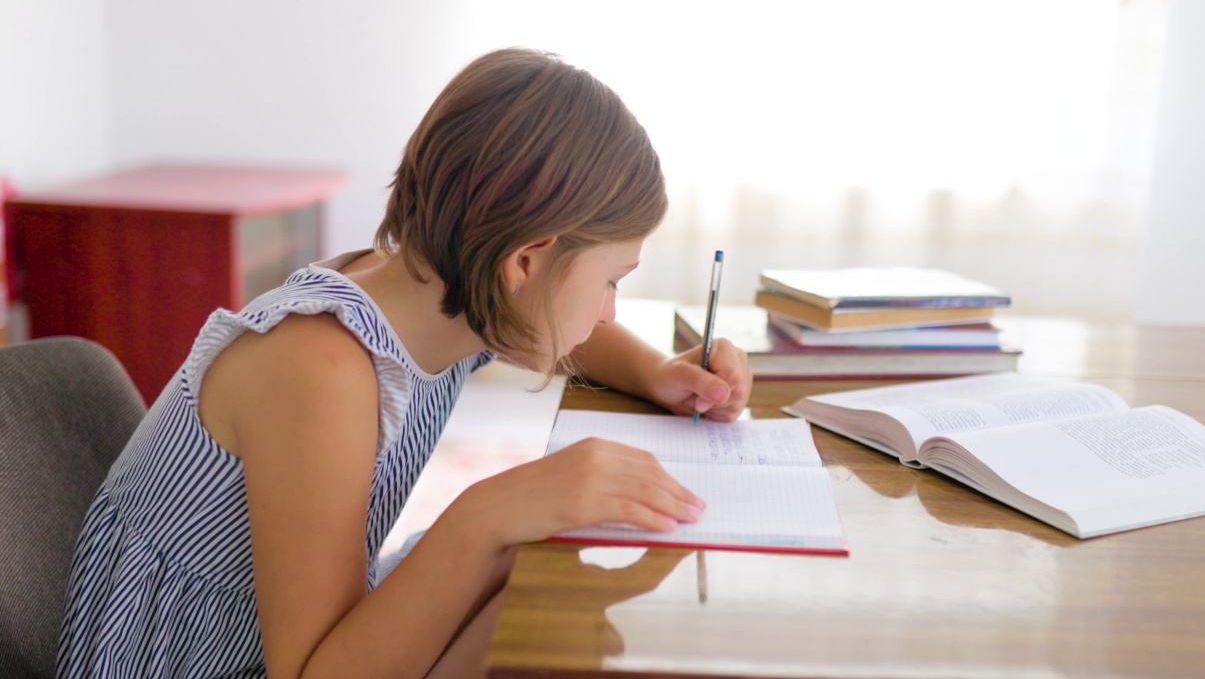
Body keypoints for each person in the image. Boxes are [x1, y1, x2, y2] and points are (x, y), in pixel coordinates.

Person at [56, 47, 752, 678]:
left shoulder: (430, 289)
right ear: (526, 260)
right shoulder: (320, 368)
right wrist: (483, 513)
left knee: (547, 587)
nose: (606, 313)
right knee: (537, 596)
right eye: (612, 282)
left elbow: (560, 323)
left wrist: (659, 371)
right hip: (200, 662)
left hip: (284, 637)